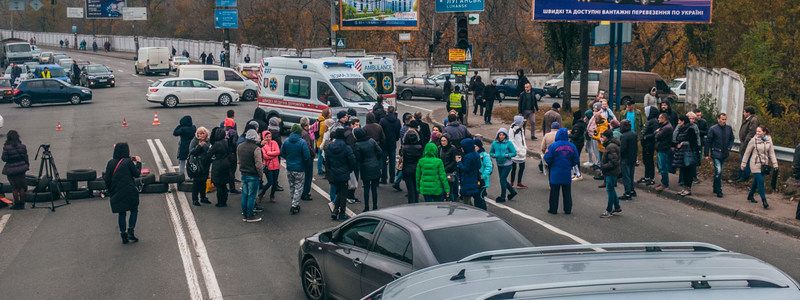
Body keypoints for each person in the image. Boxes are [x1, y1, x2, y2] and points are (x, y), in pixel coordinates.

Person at [103, 143, 142, 244]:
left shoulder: (110, 163)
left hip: (116, 191)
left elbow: (107, 179)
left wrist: (111, 190)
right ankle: (131, 231)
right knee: (134, 210)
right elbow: (137, 174)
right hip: (129, 190)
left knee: (122, 213)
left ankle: (123, 234)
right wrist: (138, 163)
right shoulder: (128, 162)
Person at [741, 126, 778, 209]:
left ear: (764, 132)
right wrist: (743, 163)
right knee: (761, 181)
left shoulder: (769, 140)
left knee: (756, 181)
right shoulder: (753, 140)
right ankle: (764, 201)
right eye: (756, 131)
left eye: (759, 131)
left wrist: (775, 164)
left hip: (764, 165)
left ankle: (750, 195)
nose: (757, 133)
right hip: (754, 163)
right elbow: (747, 152)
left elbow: (771, 153)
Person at [544, 128, 579, 214]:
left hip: (555, 171)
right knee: (567, 192)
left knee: (554, 193)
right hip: (567, 171)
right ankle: (567, 209)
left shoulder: (553, 146)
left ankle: (553, 209)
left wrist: (551, 164)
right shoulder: (572, 146)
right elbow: (576, 159)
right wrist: (570, 164)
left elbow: (547, 157)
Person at [325, 128, 357, 221]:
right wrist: (349, 169)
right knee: (343, 194)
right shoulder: (347, 147)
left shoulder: (330, 146)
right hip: (344, 172)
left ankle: (335, 211)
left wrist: (329, 171)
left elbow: (327, 161)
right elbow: (352, 161)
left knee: (339, 192)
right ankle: (341, 214)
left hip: (333, 172)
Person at [281, 125, 311, 214]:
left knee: (292, 186)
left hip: (290, 167)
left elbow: (282, 153)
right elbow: (307, 156)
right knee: (299, 186)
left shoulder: (286, 141)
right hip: (300, 168)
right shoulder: (302, 142)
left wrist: (289, 158)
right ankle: (294, 205)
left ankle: (294, 201)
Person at [705, 113, 735, 198]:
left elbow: (732, 138)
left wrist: (729, 147)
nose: (723, 121)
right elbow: (708, 141)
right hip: (716, 153)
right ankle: (719, 190)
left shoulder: (728, 128)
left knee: (719, 171)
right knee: (718, 171)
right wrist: (706, 154)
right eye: (722, 119)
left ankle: (715, 187)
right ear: (718, 119)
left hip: (724, 153)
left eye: (725, 119)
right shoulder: (713, 129)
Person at [237, 129, 263, 222]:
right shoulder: (256, 148)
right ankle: (250, 215)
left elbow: (239, 161)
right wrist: (261, 175)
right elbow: (259, 165)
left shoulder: (240, 146)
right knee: (252, 196)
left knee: (245, 194)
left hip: (243, 173)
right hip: (253, 175)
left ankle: (245, 212)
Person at [353, 128, 383, 211]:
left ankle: (366, 207)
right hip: (375, 165)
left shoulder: (357, 144)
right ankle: (375, 206)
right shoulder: (371, 140)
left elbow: (358, 158)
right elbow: (380, 151)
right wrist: (376, 159)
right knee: (374, 188)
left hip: (365, 167)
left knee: (366, 188)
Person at [2, 130, 29, 210]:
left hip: (11, 170)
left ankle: (17, 204)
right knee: (21, 187)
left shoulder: (6, 148)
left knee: (14, 188)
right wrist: (26, 165)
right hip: (21, 169)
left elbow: (4, 159)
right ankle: (22, 204)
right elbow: (25, 157)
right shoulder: (22, 146)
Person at [672, 116, 699, 196]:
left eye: (679, 121)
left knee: (688, 171)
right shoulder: (680, 129)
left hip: (688, 153)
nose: (678, 122)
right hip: (681, 153)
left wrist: (683, 143)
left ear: (683, 121)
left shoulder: (690, 129)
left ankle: (688, 188)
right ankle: (684, 188)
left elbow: (693, 142)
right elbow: (677, 139)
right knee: (683, 171)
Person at [490, 128, 518, 203]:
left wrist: (507, 155)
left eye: (503, 135)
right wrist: (494, 155)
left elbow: (514, 153)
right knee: (503, 180)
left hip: (507, 164)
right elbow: (491, 153)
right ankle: (512, 192)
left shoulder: (509, 143)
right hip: (499, 164)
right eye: (500, 134)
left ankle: (502, 197)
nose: (501, 136)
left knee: (502, 179)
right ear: (498, 135)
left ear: (505, 135)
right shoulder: (494, 143)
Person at [599, 130, 622, 218]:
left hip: (611, 172)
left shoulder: (611, 147)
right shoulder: (610, 145)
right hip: (611, 171)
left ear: (607, 137)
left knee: (610, 190)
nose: (602, 138)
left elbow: (614, 162)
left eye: (603, 137)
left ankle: (608, 210)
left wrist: (603, 166)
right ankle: (617, 207)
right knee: (611, 189)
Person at [457, 139, 485, 209]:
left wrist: (459, 162)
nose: (461, 148)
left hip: (467, 180)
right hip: (474, 179)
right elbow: (479, 166)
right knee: (471, 198)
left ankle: (470, 213)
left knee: (466, 201)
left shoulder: (468, 156)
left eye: (462, 147)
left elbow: (465, 168)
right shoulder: (476, 154)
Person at [188, 127, 211, 206]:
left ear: (206, 134)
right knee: (196, 182)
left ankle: (203, 197)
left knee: (203, 182)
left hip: (205, 164)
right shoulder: (194, 141)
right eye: (199, 133)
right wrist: (199, 146)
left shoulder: (208, 141)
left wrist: (204, 145)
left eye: (202, 133)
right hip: (197, 165)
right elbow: (191, 152)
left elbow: (209, 151)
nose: (200, 135)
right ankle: (195, 199)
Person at [400, 130, 423, 203]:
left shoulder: (404, 148)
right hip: (416, 169)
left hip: (407, 169)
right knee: (416, 188)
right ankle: (416, 202)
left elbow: (401, 156)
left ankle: (411, 203)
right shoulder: (419, 147)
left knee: (410, 189)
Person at [379, 106, 401, 184]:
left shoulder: (383, 120)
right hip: (392, 142)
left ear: (387, 111)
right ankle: (392, 178)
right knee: (392, 161)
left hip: (384, 143)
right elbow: (399, 132)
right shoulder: (397, 121)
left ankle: (384, 178)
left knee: (384, 161)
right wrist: (396, 138)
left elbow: (380, 132)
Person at [210, 128, 231, 207]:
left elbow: (209, 154)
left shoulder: (216, 144)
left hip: (218, 164)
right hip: (226, 163)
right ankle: (224, 201)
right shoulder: (225, 142)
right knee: (224, 184)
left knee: (218, 185)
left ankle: (220, 202)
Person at [639, 107, 660, 186]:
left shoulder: (654, 121)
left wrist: (646, 137)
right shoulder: (649, 120)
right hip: (645, 144)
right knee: (646, 160)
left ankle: (651, 178)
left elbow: (655, 133)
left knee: (649, 161)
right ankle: (646, 176)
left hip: (649, 144)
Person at [738, 106, 759, 181]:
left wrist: (746, 142)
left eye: (744, 112)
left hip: (747, 143)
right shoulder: (749, 120)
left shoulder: (753, 120)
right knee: (742, 159)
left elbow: (751, 132)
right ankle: (741, 176)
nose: (743, 113)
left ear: (748, 113)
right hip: (744, 142)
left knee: (745, 160)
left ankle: (744, 177)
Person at [258, 130, 280, 203]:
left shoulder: (274, 143)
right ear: (264, 137)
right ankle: (262, 193)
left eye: (270, 136)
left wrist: (269, 153)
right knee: (270, 182)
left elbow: (278, 152)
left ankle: (272, 196)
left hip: (276, 166)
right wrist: (273, 155)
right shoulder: (263, 145)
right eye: (267, 137)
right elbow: (265, 157)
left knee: (274, 183)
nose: (269, 138)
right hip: (268, 167)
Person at [618, 120, 638, 200]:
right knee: (631, 175)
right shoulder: (634, 134)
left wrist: (619, 157)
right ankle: (632, 190)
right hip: (632, 158)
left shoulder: (624, 136)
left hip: (625, 158)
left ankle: (627, 193)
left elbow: (622, 149)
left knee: (626, 176)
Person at [654, 113, 674, 192]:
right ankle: (663, 182)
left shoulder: (666, 128)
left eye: (659, 118)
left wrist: (656, 132)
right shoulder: (664, 126)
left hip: (663, 149)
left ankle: (665, 184)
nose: (658, 119)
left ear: (664, 119)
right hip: (661, 148)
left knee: (663, 167)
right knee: (661, 166)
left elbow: (657, 136)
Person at [299, 118, 316, 201]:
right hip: (308, 158)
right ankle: (305, 193)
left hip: (302, 157)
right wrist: (313, 153)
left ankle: (303, 192)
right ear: (306, 124)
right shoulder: (305, 134)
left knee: (303, 177)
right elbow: (308, 147)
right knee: (308, 177)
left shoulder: (300, 132)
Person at [439, 134, 460, 201]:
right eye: (442, 141)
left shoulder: (453, 149)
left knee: (450, 191)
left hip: (450, 172)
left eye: (445, 141)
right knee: (442, 191)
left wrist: (445, 168)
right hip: (442, 172)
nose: (443, 142)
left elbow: (454, 161)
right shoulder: (439, 148)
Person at [509, 116, 528, 188]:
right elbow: (511, 141)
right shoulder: (512, 129)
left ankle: (519, 182)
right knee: (513, 167)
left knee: (522, 167)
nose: (523, 122)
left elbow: (523, 138)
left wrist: (525, 147)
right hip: (515, 151)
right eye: (522, 121)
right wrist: (518, 150)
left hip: (522, 150)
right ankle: (512, 182)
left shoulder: (521, 128)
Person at [569, 110, 587, 180]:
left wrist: (569, 135)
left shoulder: (577, 125)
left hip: (577, 143)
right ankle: (576, 173)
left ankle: (578, 174)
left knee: (575, 158)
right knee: (576, 157)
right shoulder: (582, 124)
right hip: (580, 142)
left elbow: (575, 136)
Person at [315, 108, 331, 175]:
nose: (331, 113)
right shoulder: (323, 123)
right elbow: (321, 133)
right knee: (320, 157)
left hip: (319, 142)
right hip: (322, 142)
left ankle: (321, 170)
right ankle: (320, 171)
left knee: (320, 157)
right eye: (329, 112)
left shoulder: (320, 120)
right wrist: (326, 132)